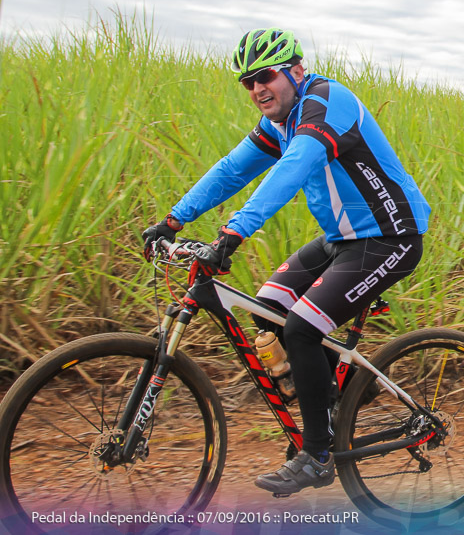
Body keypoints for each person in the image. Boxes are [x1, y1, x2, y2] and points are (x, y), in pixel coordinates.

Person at [141, 28, 430, 495]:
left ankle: (317, 454)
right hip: (343, 238)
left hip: (390, 237)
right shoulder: (281, 119)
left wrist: (232, 233)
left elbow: (292, 170)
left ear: (296, 71)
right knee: (266, 312)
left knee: (300, 328)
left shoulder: (325, 103)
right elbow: (233, 169)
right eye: (247, 81)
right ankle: (348, 395)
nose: (256, 88)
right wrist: (173, 221)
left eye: (265, 76)